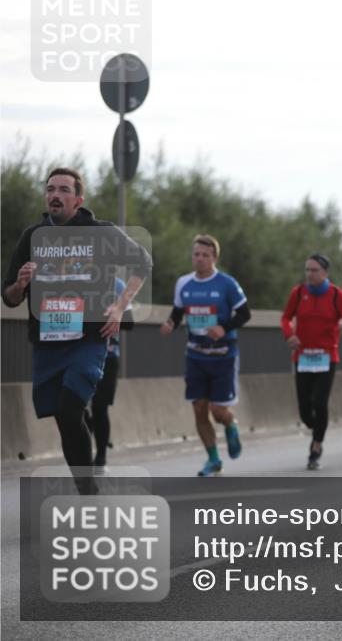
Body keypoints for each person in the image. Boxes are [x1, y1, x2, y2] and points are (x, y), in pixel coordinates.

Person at [3, 168, 151, 494]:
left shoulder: (101, 233)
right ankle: (85, 483)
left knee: (71, 408)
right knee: (64, 417)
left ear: (78, 199)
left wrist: (119, 305)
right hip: (47, 342)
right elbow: (10, 298)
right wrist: (21, 283)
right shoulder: (33, 236)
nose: (55, 195)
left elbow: (142, 263)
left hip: (89, 339)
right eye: (50, 189)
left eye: (64, 190)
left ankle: (87, 490)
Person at [161, 235, 250, 476]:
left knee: (218, 412)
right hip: (196, 356)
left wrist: (224, 328)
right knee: (199, 408)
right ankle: (213, 459)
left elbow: (244, 314)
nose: (199, 259)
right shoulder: (184, 284)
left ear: (214, 258)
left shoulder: (227, 284)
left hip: (223, 355)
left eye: (205, 255)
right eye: (196, 254)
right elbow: (178, 312)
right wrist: (170, 323)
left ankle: (230, 425)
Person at [280, 253, 342, 470]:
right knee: (305, 410)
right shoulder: (298, 293)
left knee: (319, 402)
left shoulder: (336, 295)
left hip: (327, 357)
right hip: (303, 356)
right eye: (307, 269)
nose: (309, 274)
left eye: (314, 270)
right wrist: (289, 335)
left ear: (325, 273)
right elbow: (286, 317)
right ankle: (319, 428)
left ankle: (316, 448)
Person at [83, 277, 134, 474]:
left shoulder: (118, 286)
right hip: (78, 356)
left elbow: (130, 324)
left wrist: (115, 314)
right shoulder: (75, 280)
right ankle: (85, 451)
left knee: (99, 407)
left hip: (108, 355)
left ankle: (101, 456)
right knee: (76, 408)